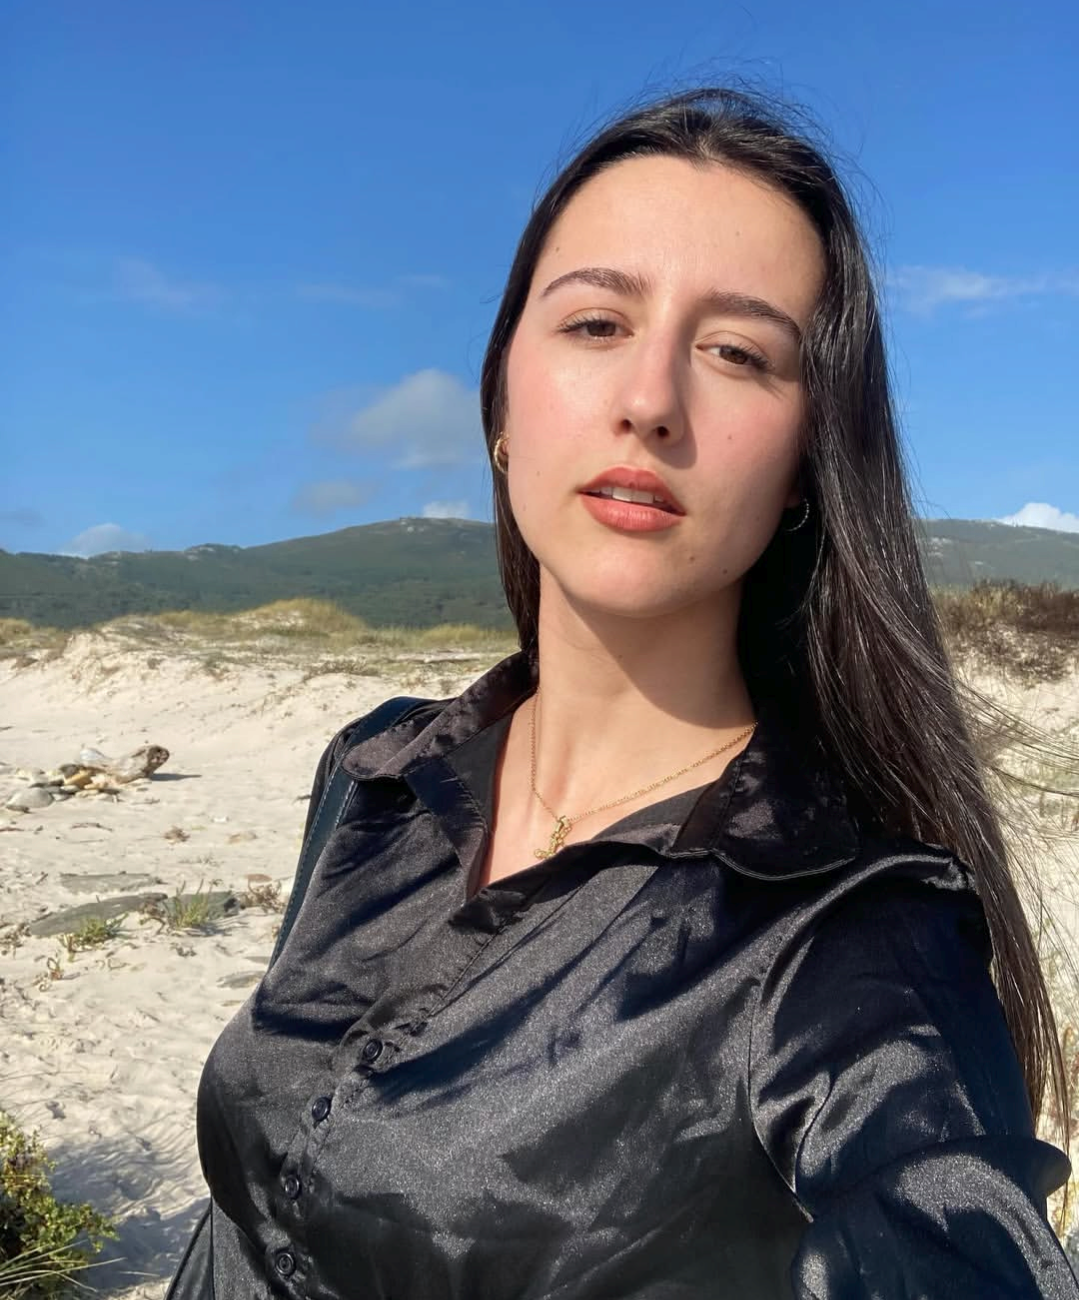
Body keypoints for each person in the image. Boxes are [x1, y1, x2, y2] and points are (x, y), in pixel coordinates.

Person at [168, 87, 1078, 1297]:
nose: (649, 400)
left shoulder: (849, 945)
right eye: (595, 323)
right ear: (502, 398)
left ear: (805, 464)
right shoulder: (374, 774)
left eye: (737, 353)